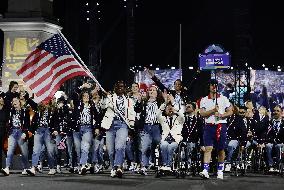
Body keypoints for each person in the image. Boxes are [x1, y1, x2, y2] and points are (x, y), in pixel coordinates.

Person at [199, 79, 233, 180]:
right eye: (212, 85)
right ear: (209, 86)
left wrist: (222, 115)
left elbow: (230, 112)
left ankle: (220, 170)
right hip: (209, 126)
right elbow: (202, 113)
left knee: (221, 149)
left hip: (221, 126)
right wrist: (213, 111)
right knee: (208, 148)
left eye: (216, 85)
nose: (214, 86)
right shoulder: (204, 99)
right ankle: (205, 170)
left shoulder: (224, 98)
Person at [101, 81, 135, 178]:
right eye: (118, 86)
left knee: (119, 147)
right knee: (111, 150)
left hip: (123, 124)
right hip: (110, 124)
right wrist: (105, 97)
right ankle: (113, 168)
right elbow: (103, 106)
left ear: (124, 88)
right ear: (115, 88)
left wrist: (131, 126)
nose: (120, 88)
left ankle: (118, 167)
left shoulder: (129, 100)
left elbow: (132, 113)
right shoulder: (110, 97)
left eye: (122, 86)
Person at [1, 96, 31, 176]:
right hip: (13, 132)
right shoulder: (11, 111)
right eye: (13, 101)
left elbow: (27, 123)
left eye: (15, 100)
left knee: (24, 152)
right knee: (10, 150)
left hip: (21, 132)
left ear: (19, 102)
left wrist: (25, 132)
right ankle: (7, 168)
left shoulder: (25, 111)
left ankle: (26, 168)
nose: (14, 102)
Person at [157, 92, 185, 171]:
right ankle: (165, 165)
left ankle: (168, 165)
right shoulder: (163, 119)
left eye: (171, 108)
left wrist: (174, 104)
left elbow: (182, 115)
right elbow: (157, 114)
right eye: (168, 108)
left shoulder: (179, 119)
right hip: (165, 139)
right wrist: (165, 102)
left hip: (175, 140)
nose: (170, 109)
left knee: (170, 147)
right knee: (163, 146)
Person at [265, 105, 284, 172]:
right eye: (274, 111)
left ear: (281, 112)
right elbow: (265, 133)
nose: (275, 112)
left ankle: (278, 165)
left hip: (281, 142)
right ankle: (271, 165)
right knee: (268, 146)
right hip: (271, 141)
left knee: (279, 146)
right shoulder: (269, 122)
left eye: (277, 111)